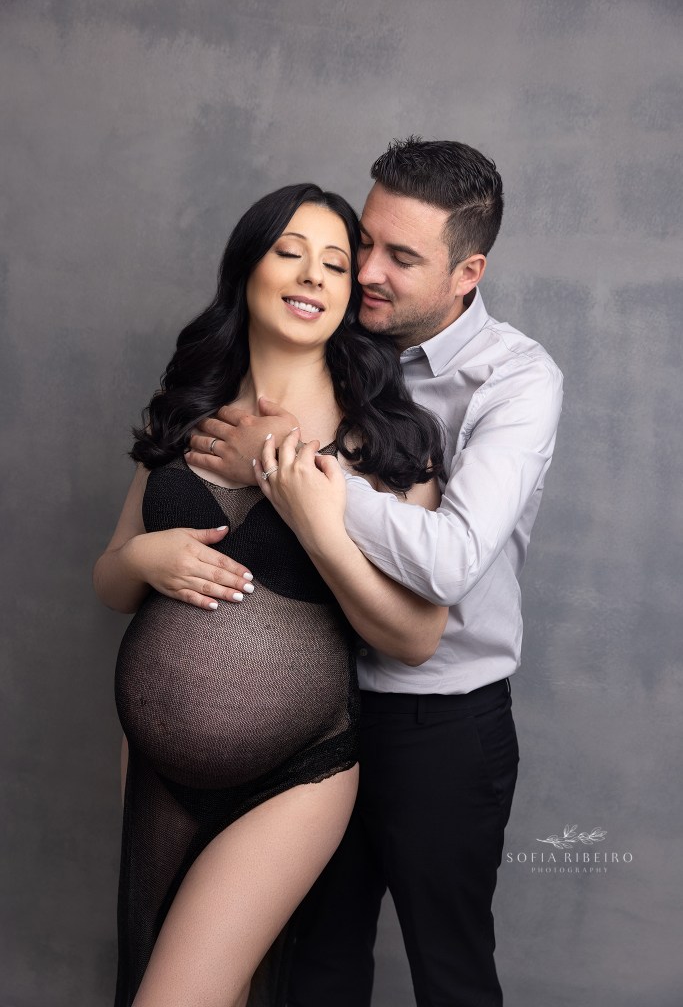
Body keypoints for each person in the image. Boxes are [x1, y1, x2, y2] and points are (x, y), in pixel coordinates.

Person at [187, 139, 564, 1007]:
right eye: (365, 242)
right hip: (317, 711)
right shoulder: (341, 340)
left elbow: (450, 562)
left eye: (401, 257)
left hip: (444, 725)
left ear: (466, 272)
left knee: (452, 972)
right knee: (313, 966)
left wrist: (287, 470)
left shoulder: (514, 379)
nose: (363, 273)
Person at [93, 182, 449, 1007]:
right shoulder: (191, 412)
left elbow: (413, 635)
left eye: (334, 262)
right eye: (290, 251)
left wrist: (308, 506)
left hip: (298, 770)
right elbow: (109, 578)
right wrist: (145, 558)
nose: (313, 276)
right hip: (152, 762)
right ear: (247, 269)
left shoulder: (387, 439)